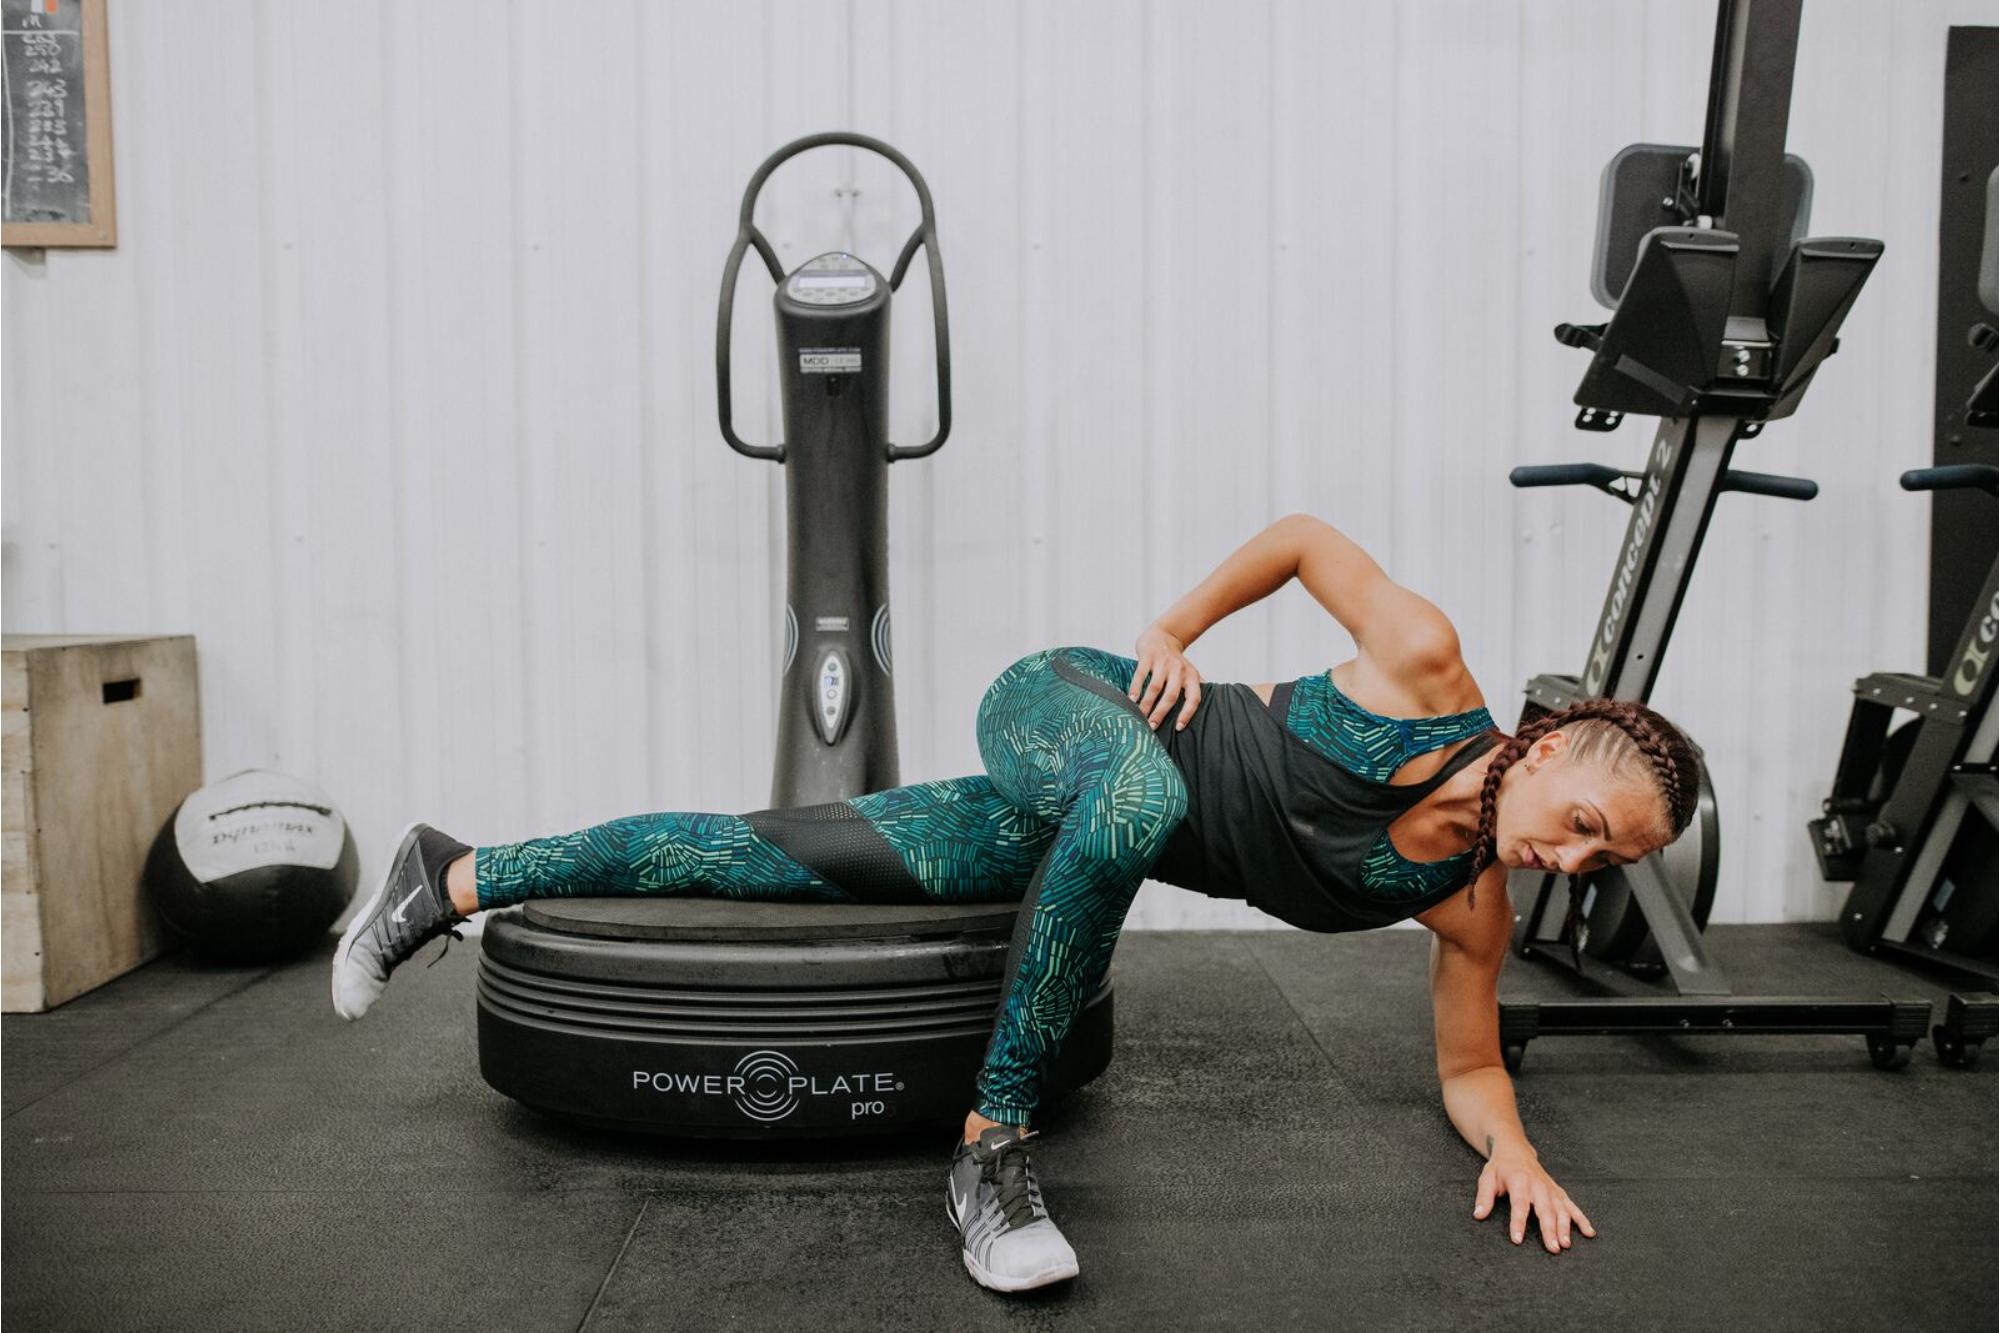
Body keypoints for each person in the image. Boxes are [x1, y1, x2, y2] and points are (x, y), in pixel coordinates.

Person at [331, 512, 1699, 1293]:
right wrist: (1173, 630)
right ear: (1555, 738)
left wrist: (1508, 1146)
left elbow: (1467, 1061)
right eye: (1582, 822)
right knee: (1147, 805)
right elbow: (1299, 539)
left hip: (1088, 817)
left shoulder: (1468, 907)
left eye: (1602, 862)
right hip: (1071, 706)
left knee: (766, 850)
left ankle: (447, 873)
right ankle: (992, 1147)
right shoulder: (1423, 661)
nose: (1569, 859)